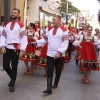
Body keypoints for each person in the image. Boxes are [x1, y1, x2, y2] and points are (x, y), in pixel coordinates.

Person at [31, 15, 69, 94]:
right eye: (52, 19)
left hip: (59, 54)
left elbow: (65, 42)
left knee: (58, 70)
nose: (53, 21)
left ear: (59, 21)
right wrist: (36, 42)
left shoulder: (64, 30)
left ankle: (56, 83)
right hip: (50, 53)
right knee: (49, 70)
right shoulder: (50, 30)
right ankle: (49, 88)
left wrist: (59, 52)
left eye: (54, 20)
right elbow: (44, 39)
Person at [0, 8, 27, 92]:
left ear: (18, 15)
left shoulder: (21, 25)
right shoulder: (7, 24)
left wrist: (22, 50)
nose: (13, 14)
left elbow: (23, 38)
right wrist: (2, 46)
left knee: (14, 67)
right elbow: (3, 36)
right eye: (12, 12)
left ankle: (12, 83)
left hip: (16, 49)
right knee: (5, 66)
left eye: (15, 13)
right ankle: (13, 78)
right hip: (7, 48)